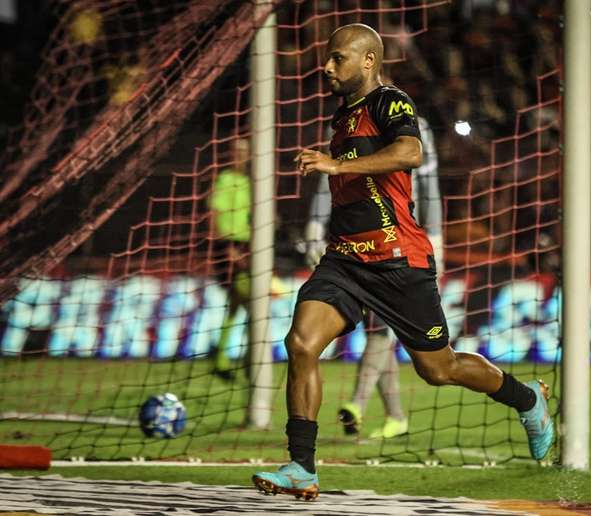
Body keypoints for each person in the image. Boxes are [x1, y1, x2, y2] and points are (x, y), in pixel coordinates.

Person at [252, 24, 553, 501]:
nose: (327, 67)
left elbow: (409, 152)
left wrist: (337, 165)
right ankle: (302, 466)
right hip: (346, 260)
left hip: (398, 260)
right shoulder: (342, 116)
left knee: (438, 369)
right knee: (302, 343)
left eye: (337, 59)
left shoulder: (390, 102)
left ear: (368, 61)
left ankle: (527, 399)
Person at [305, 114, 443, 440]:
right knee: (379, 328)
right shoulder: (340, 127)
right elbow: (328, 185)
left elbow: (429, 184)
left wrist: (435, 237)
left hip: (404, 243)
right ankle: (396, 416)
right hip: (357, 242)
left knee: (383, 327)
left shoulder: (414, 126)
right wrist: (314, 228)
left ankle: (358, 403)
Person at [208, 137, 251, 380]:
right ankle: (245, 360)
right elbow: (215, 214)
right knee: (249, 303)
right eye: (236, 150)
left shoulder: (250, 182)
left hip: (247, 247)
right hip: (229, 247)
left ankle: (222, 358)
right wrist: (226, 247)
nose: (239, 155)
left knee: (236, 307)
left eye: (244, 151)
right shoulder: (225, 179)